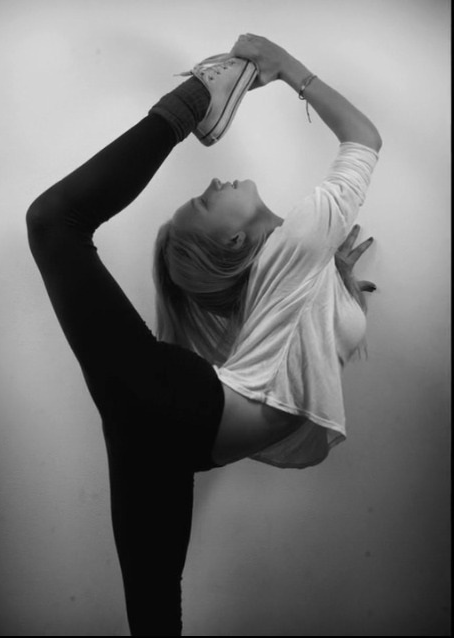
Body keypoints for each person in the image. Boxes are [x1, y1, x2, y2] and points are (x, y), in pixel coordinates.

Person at [26, 33, 381, 636]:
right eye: (204, 201)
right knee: (53, 223)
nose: (215, 183)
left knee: (155, 615)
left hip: (174, 429)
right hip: (174, 414)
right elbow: (364, 139)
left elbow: (301, 344)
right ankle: (200, 97)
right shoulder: (301, 239)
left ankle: (201, 98)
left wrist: (334, 276)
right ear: (233, 239)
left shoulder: (297, 264)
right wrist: (286, 68)